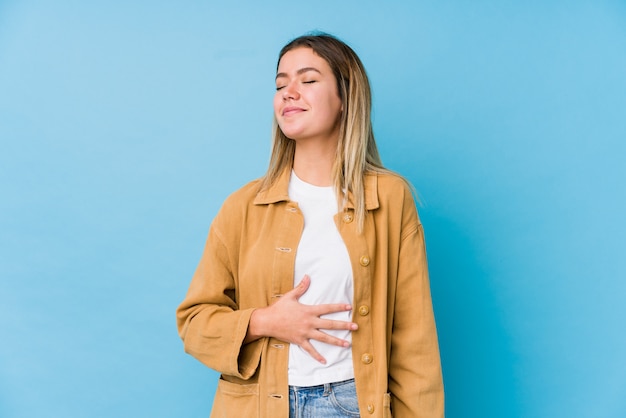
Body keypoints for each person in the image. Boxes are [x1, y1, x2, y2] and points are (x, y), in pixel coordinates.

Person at [176, 32, 444, 418]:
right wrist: (264, 321)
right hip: (258, 407)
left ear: (345, 99)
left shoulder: (389, 198)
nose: (289, 92)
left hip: (351, 405)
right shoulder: (243, 207)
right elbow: (195, 322)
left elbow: (414, 340)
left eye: (308, 79)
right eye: (280, 84)